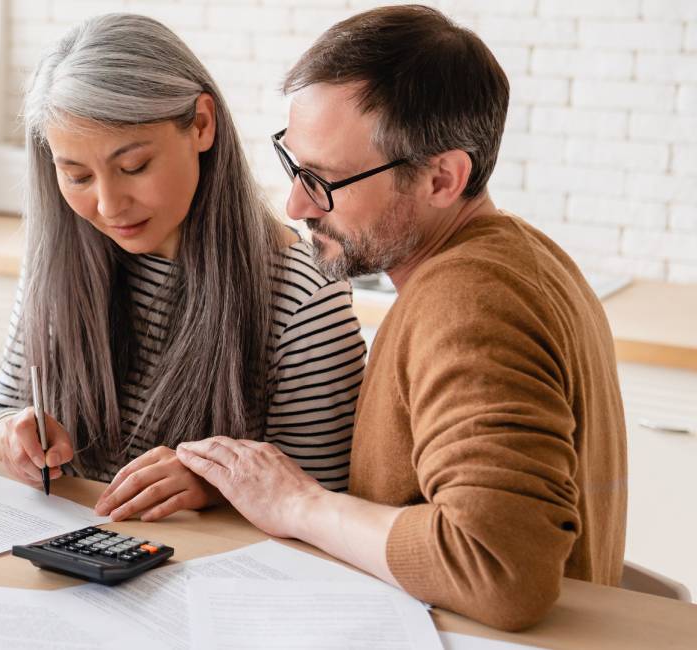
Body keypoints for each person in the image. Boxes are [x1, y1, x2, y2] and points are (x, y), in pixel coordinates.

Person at [175, 5, 626, 631]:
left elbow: (501, 569)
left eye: (325, 179)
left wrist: (298, 503)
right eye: (294, 165)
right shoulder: (526, 257)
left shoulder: (468, 302)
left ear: (443, 179)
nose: (296, 203)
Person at [0, 13, 366, 523]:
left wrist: (215, 484)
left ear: (201, 124)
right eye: (77, 176)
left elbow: (323, 503)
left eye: (133, 167)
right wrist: (12, 437)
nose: (109, 205)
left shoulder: (304, 295)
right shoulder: (57, 260)